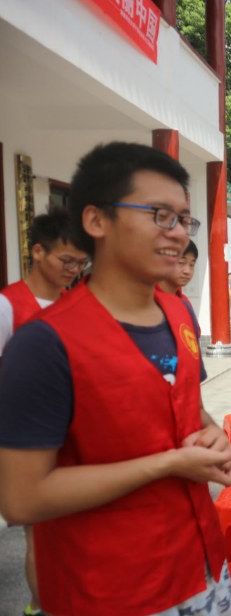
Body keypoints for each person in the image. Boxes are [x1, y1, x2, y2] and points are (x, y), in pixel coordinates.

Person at [0, 142, 231, 616]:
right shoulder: (45, 344)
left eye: (183, 219)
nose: (177, 233)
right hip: (112, 591)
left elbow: (186, 405)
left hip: (204, 569)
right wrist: (168, 464)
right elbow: (21, 499)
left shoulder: (179, 315)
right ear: (96, 220)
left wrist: (212, 433)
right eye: (159, 215)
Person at [0, 210, 88, 616]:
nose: (73, 271)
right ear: (37, 252)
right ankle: (40, 607)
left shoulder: (77, 304)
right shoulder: (7, 305)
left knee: (73, 534)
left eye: (81, 263)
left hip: (75, 434)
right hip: (30, 440)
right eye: (66, 261)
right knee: (39, 534)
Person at [158, 239, 198, 314]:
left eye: (192, 265)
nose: (187, 271)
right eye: (181, 262)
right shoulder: (149, 301)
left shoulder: (185, 302)